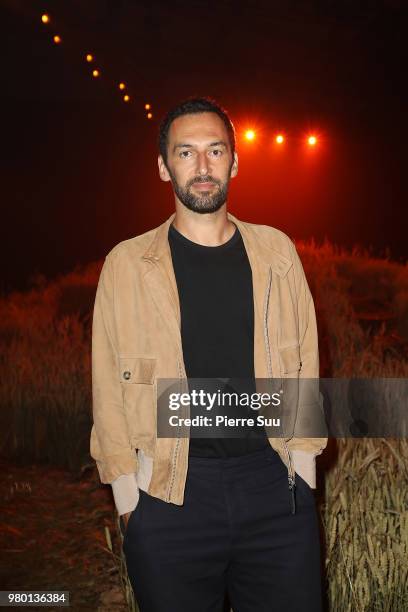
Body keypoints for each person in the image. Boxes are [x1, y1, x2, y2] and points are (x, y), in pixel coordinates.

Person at [90, 96, 328, 612]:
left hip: (273, 488)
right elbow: (107, 393)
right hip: (171, 494)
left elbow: (306, 366)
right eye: (186, 152)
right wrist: (131, 505)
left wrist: (303, 485)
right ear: (162, 166)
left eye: (215, 151)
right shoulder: (127, 265)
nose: (202, 167)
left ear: (235, 162)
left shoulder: (277, 253)